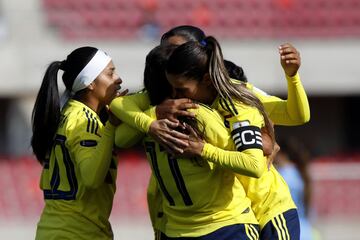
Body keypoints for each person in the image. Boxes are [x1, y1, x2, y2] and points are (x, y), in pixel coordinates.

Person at [113, 44, 272, 239]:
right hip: (199, 227)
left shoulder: (141, 120)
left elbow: (251, 163)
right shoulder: (187, 115)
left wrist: (202, 149)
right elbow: (119, 133)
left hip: (221, 225)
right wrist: (153, 118)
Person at [165, 36, 300, 239]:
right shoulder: (189, 106)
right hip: (240, 215)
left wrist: (293, 77)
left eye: (181, 89)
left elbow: (296, 115)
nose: (176, 95)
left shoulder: (235, 95)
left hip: (269, 209)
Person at [31, 46, 125, 240]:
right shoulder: (85, 122)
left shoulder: (66, 114)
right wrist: (111, 126)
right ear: (90, 83)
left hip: (51, 230)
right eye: (110, 73)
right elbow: (91, 178)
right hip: (78, 233)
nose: (119, 78)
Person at [275, 138, 314, 240]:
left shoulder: (283, 175)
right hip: (305, 230)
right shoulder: (299, 173)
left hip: (290, 230)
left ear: (281, 154)